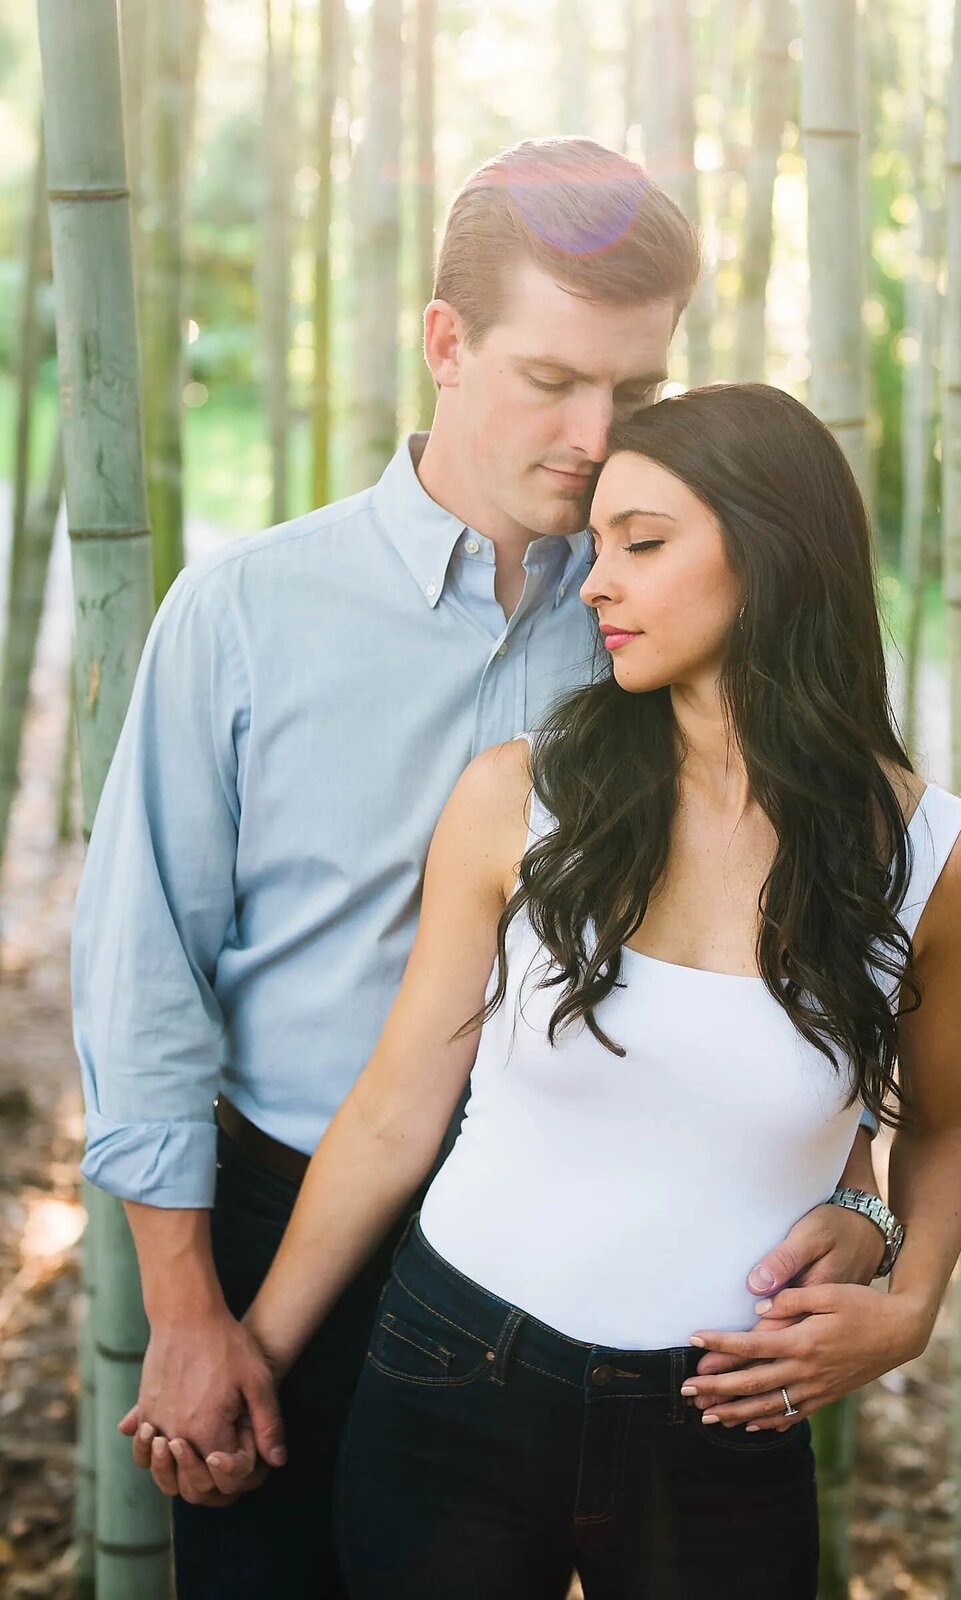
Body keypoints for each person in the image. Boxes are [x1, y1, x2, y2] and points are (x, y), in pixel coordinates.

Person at [72, 141, 892, 1600]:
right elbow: (146, 978)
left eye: (637, 393)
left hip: (587, 1267)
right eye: (552, 377)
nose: (595, 433)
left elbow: (826, 946)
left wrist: (866, 1201)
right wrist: (188, 1312)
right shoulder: (247, 614)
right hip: (286, 1216)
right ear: (445, 345)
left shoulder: (678, 608)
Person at [156, 383, 961, 1598]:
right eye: (596, 543)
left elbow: (944, 1125)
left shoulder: (937, 860)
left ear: (771, 553)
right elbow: (399, 1105)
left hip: (723, 1422)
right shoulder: (520, 793)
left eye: (641, 543)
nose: (596, 581)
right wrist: (255, 1354)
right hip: (452, 1372)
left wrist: (911, 1296)